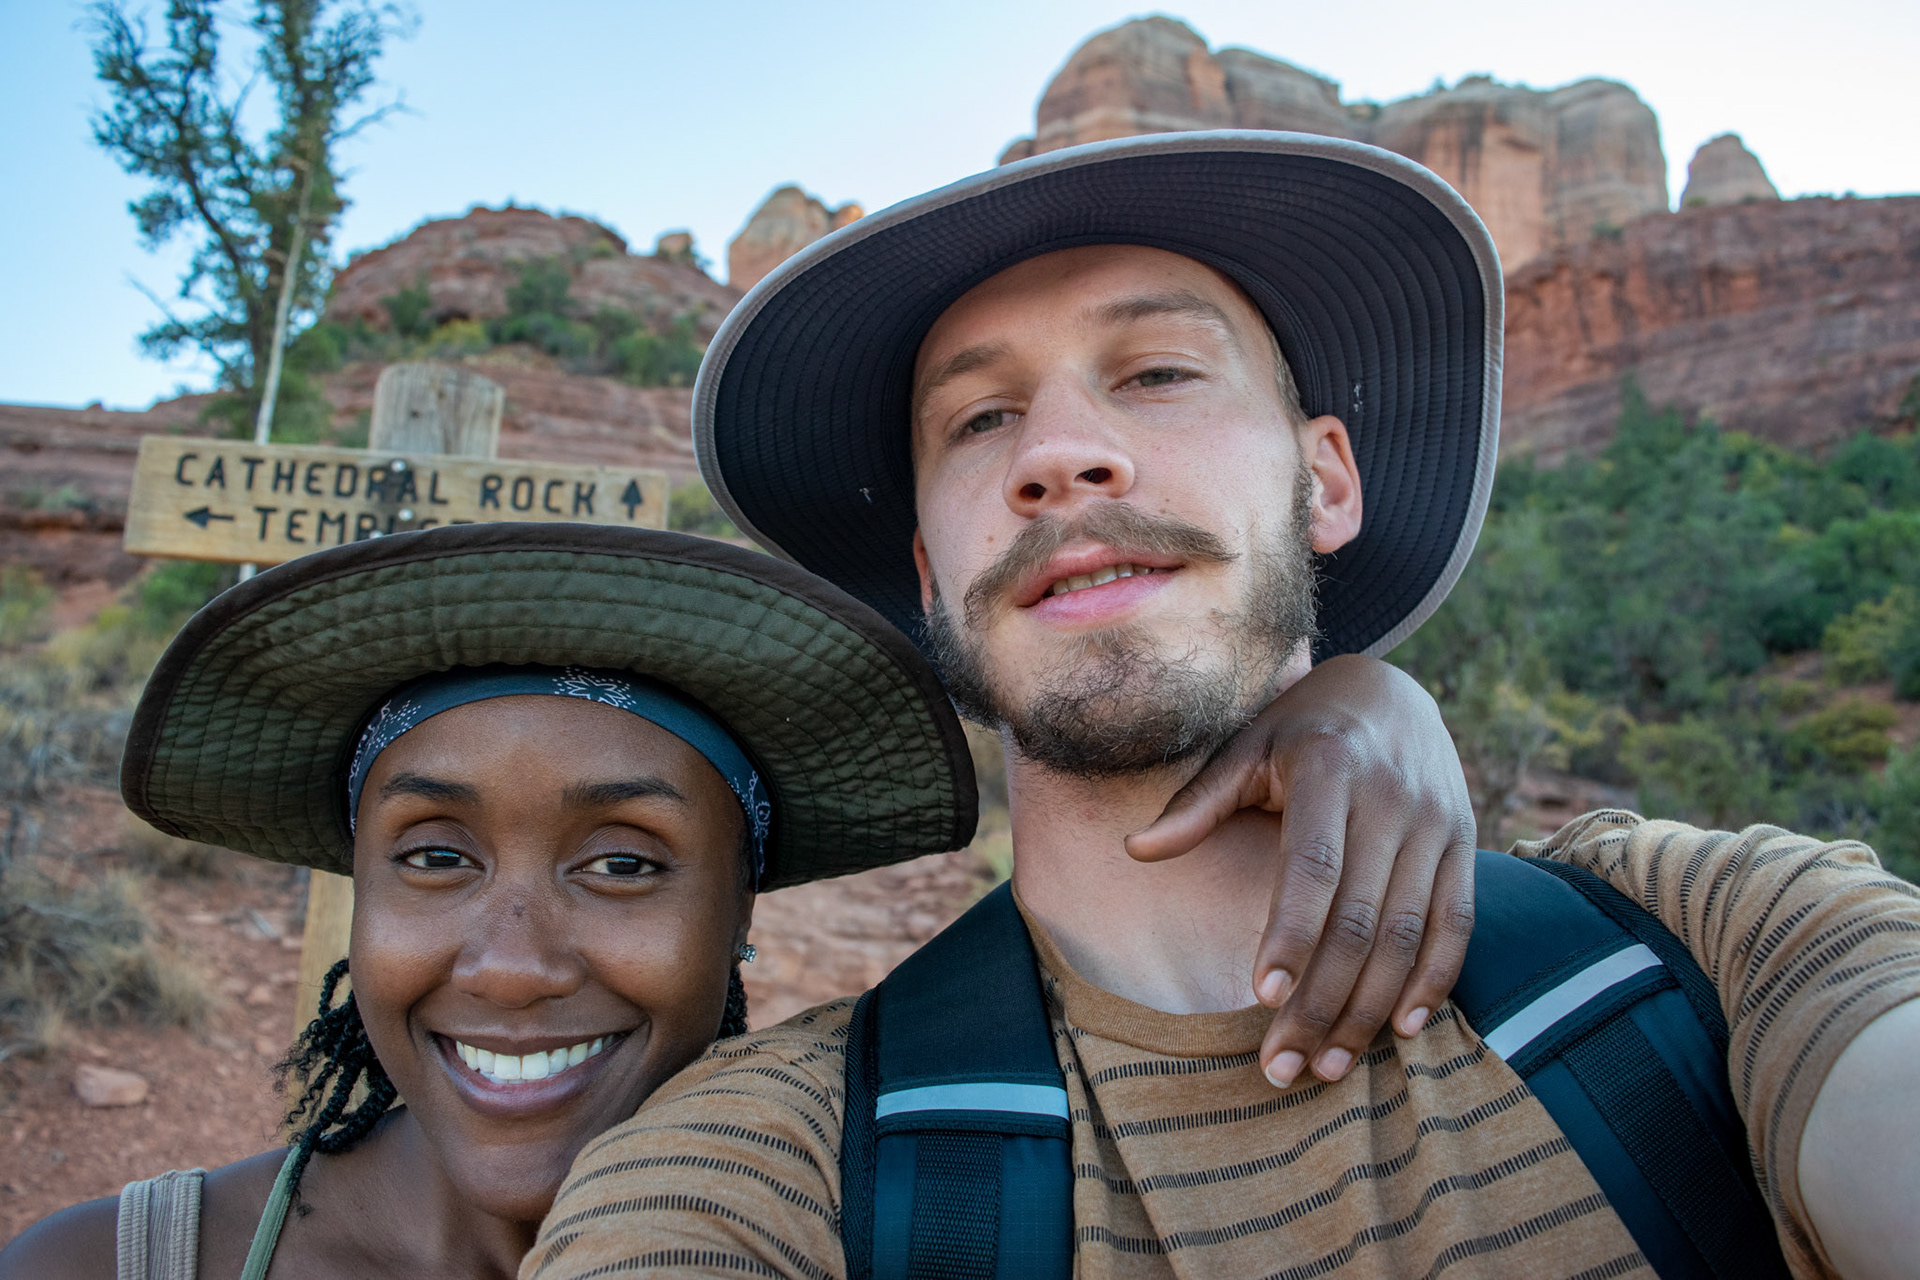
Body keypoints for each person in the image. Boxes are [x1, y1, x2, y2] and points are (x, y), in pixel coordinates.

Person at [526, 133, 1920, 1279]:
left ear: (1327, 481)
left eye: (1157, 374)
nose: (1062, 456)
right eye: (979, 420)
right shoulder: (758, 1178)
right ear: (927, 572)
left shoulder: (1719, 944)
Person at [0, 518, 1477, 1279]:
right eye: (434, 856)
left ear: (743, 913)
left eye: (626, 863)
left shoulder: (926, 1218)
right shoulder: (105, 1271)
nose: (508, 965)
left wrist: (1362, 699)